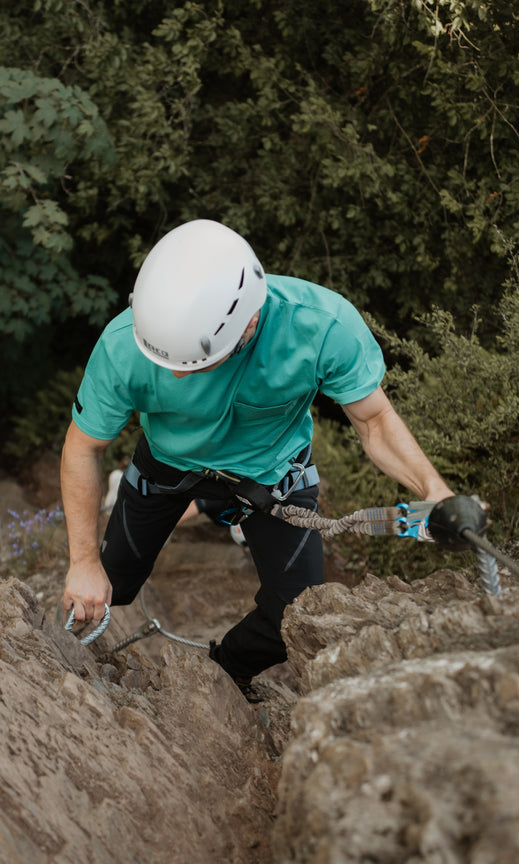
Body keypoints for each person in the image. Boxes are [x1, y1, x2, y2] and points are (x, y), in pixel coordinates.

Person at [61, 219, 484, 701]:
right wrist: (82, 561)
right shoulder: (127, 345)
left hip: (273, 477)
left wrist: (437, 495)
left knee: (296, 614)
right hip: (167, 470)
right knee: (106, 582)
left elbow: (375, 423)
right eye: (168, 363)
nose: (175, 375)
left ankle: (223, 672)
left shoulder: (321, 326)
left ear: (248, 322)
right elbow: (82, 447)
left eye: (193, 363)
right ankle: (65, 653)